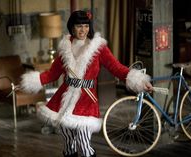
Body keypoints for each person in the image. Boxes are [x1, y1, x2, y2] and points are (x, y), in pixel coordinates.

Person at [21, 10, 153, 157]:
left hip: (87, 100)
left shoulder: (98, 48)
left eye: (85, 26)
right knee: (68, 142)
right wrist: (30, 82)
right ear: (72, 27)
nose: (83, 30)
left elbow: (117, 68)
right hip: (64, 99)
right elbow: (52, 74)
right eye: (79, 26)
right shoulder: (65, 47)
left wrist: (140, 81)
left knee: (84, 143)